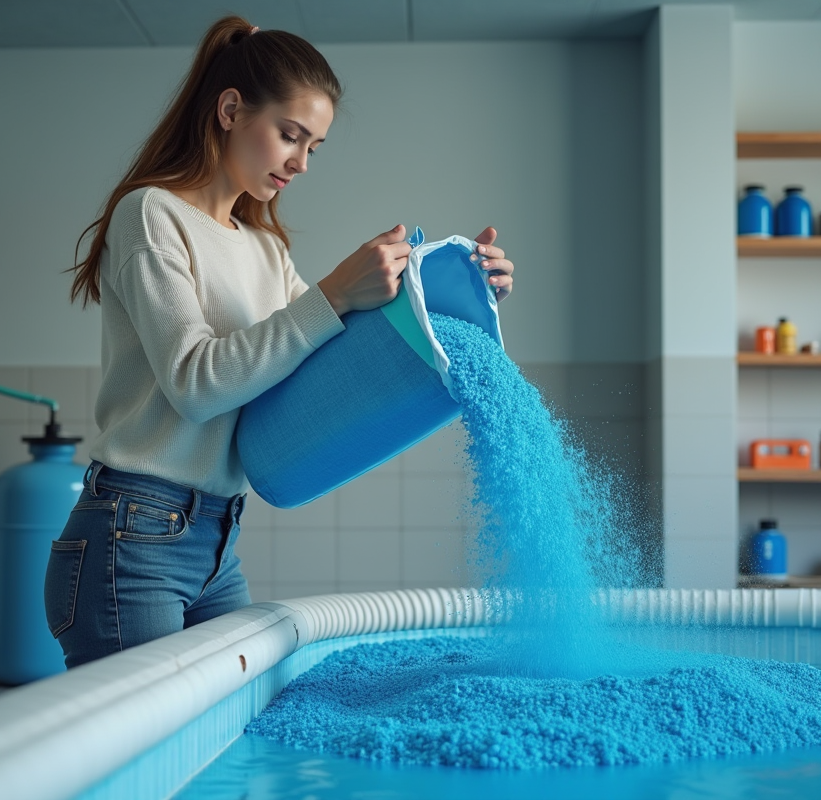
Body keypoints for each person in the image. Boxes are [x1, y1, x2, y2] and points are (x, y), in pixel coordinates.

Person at [44, 15, 516, 669]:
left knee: (225, 735)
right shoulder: (151, 215)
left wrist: (454, 288)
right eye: (290, 136)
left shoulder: (265, 249)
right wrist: (333, 291)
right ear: (231, 110)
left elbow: (322, 359)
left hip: (217, 533)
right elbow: (195, 384)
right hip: (133, 531)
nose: (300, 162)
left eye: (313, 147)